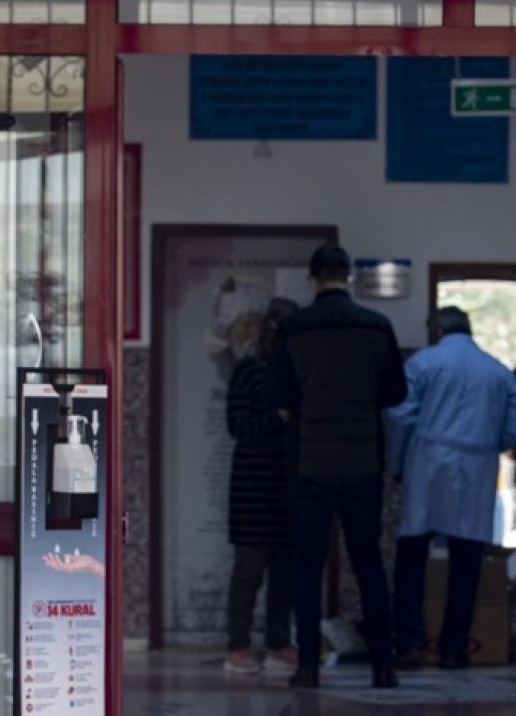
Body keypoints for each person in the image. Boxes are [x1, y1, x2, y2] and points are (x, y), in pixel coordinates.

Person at [271, 245, 408, 690]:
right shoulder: (377, 326)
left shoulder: (293, 329)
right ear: (347, 277)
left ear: (313, 280)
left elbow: (279, 395)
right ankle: (383, 667)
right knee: (368, 562)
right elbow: (395, 393)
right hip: (363, 461)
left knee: (308, 565)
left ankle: (308, 666)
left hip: (309, 462)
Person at [386, 307, 516, 669]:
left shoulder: (423, 363)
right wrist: (493, 444)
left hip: (428, 460)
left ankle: (410, 643)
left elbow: (400, 416)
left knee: (412, 555)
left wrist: (398, 464)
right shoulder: (497, 371)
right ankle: (453, 647)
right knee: (467, 560)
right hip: (477, 465)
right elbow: (515, 425)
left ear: (436, 331)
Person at [223, 298, 299, 676]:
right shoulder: (248, 371)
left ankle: (278, 642)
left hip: (288, 485)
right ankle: (238, 645)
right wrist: (278, 419)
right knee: (249, 572)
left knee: (285, 575)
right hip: (252, 488)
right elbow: (237, 425)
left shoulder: (301, 372)